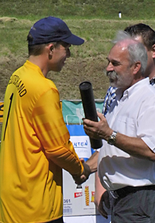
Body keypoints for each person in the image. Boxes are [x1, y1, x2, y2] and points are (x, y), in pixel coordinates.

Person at [0, 16, 91, 223]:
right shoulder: (44, 89)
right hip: (37, 206)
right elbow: (58, 149)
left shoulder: (17, 77)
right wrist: (80, 169)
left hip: (11, 201)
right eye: (66, 46)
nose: (68, 53)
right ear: (51, 49)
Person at [83, 31, 155, 222]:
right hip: (125, 201)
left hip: (142, 201)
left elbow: (151, 150)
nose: (108, 68)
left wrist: (109, 134)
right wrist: (86, 169)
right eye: (108, 61)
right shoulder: (119, 98)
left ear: (136, 67)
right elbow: (113, 147)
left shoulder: (150, 100)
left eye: (115, 63)